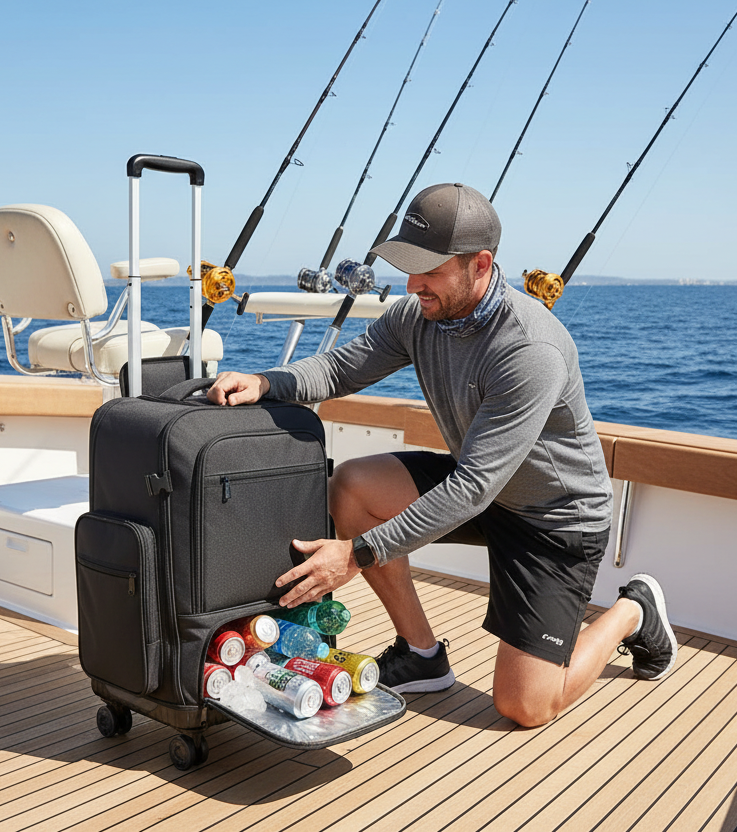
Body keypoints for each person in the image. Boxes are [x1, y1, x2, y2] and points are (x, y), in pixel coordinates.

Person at [207, 182, 677, 727]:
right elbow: (340, 368)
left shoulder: (529, 350)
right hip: (486, 491)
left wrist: (356, 554)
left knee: (524, 706)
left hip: (555, 521)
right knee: (353, 487)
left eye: (429, 269)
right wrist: (266, 382)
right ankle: (422, 654)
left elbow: (473, 485)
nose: (412, 284)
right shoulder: (419, 316)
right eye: (409, 267)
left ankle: (634, 610)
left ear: (481, 264)